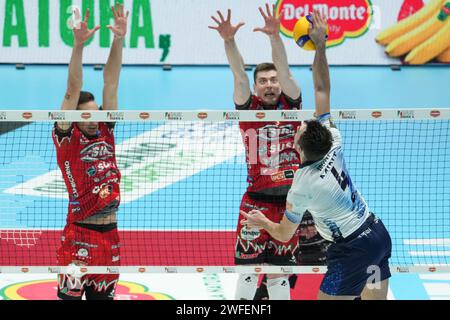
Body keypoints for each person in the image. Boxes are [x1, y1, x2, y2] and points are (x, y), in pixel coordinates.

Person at [241, 10, 392, 300]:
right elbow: (322, 87)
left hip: (350, 248)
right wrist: (320, 45)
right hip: (377, 234)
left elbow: (284, 234)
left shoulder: (303, 184)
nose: (298, 127)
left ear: (299, 148)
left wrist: (262, 222)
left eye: (298, 131)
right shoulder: (332, 139)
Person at [209, 4, 328, 300]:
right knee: (247, 273)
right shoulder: (248, 110)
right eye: (263, 81)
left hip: (290, 204)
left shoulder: (292, 106)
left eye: (273, 80)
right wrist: (228, 41)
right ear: (256, 87)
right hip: (255, 203)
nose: (270, 85)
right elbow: (238, 76)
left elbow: (285, 70)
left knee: (279, 275)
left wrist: (275, 37)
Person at [52, 4, 128, 300]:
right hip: (78, 236)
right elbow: (73, 89)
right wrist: (78, 46)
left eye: (95, 113)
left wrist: (118, 39)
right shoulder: (66, 137)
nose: (94, 118)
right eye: (86, 115)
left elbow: (111, 80)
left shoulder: (106, 129)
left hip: (110, 237)